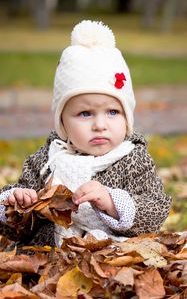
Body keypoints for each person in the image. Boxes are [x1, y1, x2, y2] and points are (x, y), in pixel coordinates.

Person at [0, 20, 171, 247]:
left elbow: (155, 210)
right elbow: (17, 232)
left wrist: (112, 202)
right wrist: (16, 204)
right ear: (62, 122)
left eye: (112, 112)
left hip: (112, 254)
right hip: (50, 255)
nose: (100, 125)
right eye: (85, 114)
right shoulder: (48, 159)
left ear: (127, 117)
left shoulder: (133, 159)